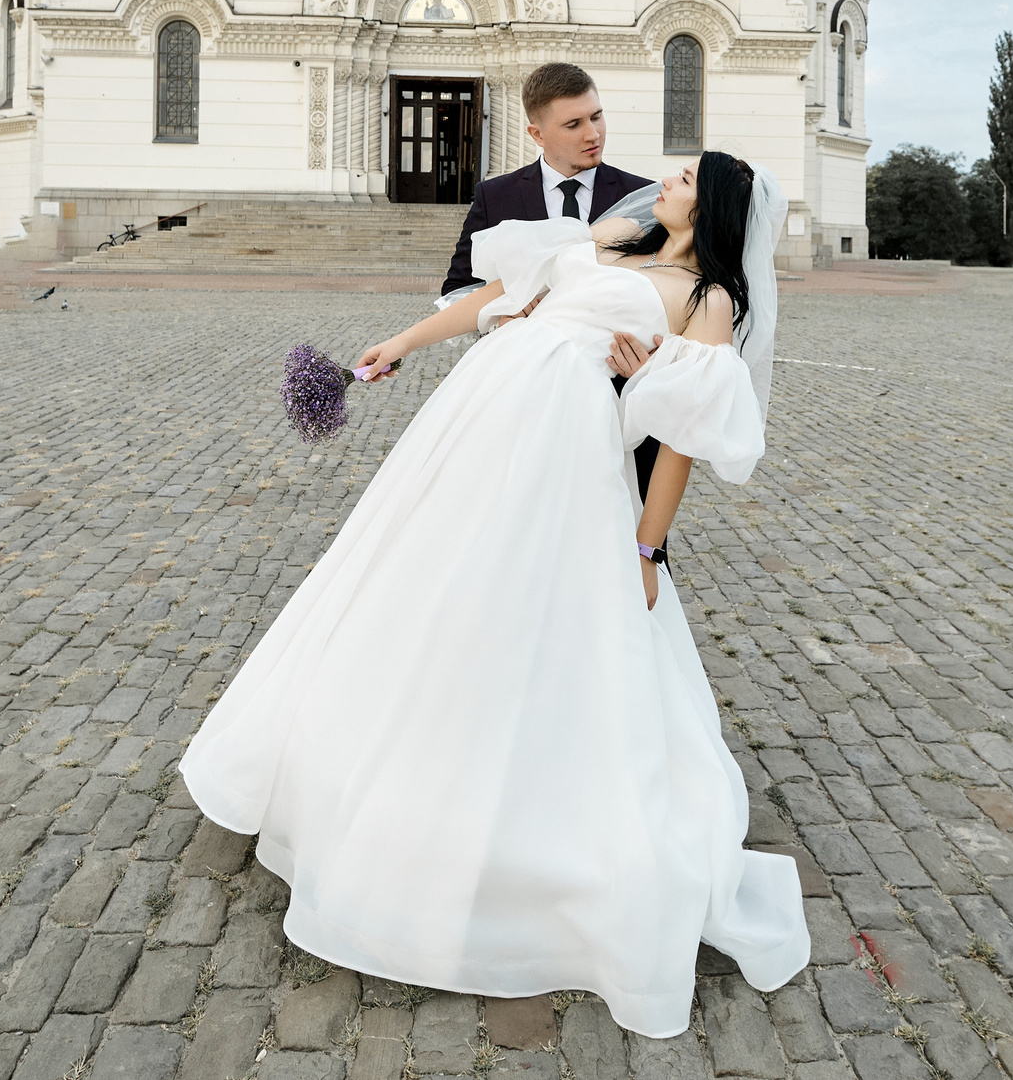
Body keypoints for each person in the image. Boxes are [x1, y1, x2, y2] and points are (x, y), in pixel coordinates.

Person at [181, 151, 804, 1037]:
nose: (665, 179)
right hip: (480, 415)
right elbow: (500, 300)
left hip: (563, 449)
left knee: (513, 614)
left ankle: (496, 823)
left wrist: (647, 542)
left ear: (717, 207)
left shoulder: (710, 300)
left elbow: (682, 436)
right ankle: (347, 779)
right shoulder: (610, 239)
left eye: (687, 178)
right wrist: (401, 340)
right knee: (414, 582)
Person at [444, 63, 660, 494]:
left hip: (620, 400)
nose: (592, 134)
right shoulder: (497, 196)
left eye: (597, 116)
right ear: (537, 134)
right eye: (574, 124)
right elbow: (456, 290)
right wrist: (502, 317)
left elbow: (662, 292)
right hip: (525, 399)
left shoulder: (644, 198)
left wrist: (651, 363)